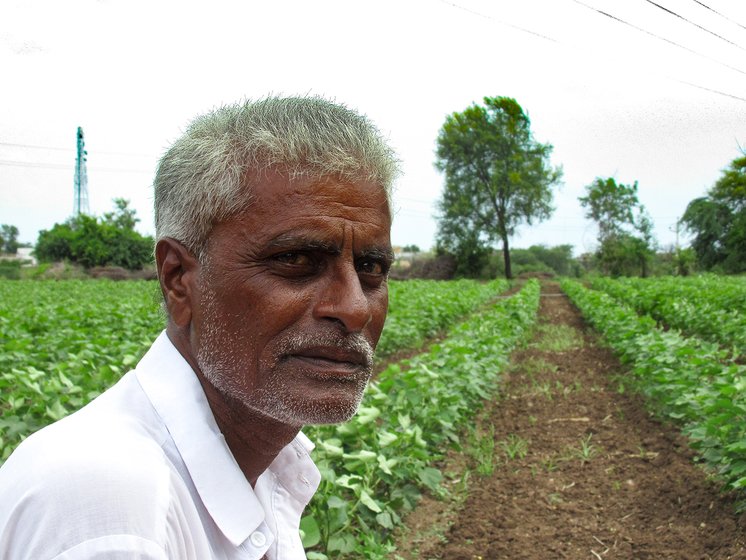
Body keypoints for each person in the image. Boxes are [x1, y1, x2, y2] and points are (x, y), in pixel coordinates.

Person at [0, 96, 399, 560]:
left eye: (371, 267)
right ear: (179, 280)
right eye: (295, 260)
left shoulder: (264, 466)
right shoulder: (109, 507)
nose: (354, 308)